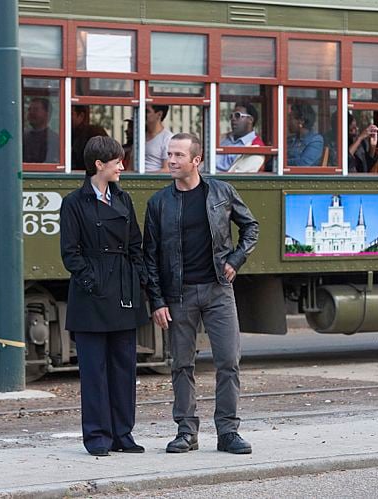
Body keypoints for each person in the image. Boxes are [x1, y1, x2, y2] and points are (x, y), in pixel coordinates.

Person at [143, 133, 259, 455]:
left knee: (228, 361)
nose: (172, 160)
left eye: (179, 155)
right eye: (169, 154)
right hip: (178, 295)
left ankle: (228, 432)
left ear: (197, 160)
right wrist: (157, 300)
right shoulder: (159, 203)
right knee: (181, 365)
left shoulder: (221, 192)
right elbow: (149, 256)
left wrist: (235, 260)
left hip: (218, 290)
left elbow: (251, 227)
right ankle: (186, 431)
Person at [60, 136, 149, 457]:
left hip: (123, 291)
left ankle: (123, 434)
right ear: (99, 165)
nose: (122, 167)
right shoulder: (73, 203)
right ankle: (97, 436)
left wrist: (137, 279)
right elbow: (70, 254)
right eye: (117, 162)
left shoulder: (124, 200)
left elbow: (136, 246)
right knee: (94, 371)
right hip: (92, 296)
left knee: (125, 368)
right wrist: (94, 283)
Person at [216, 102, 266, 173]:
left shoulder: (256, 147)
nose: (233, 119)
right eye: (231, 116)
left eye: (237, 115)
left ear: (250, 120)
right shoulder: (223, 138)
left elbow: (238, 177)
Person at [23, 97, 60, 163]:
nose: (31, 113)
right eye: (29, 109)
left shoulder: (54, 139)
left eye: (35, 109)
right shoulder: (22, 136)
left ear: (47, 114)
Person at [71, 105, 107, 170]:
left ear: (81, 116)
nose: (67, 118)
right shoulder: (69, 134)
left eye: (71, 114)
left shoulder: (94, 132)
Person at [145, 104, 174, 172]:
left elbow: (167, 169)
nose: (143, 114)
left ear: (159, 114)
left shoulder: (167, 138)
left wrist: (146, 177)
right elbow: (131, 167)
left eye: (147, 111)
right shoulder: (139, 136)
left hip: (154, 181)